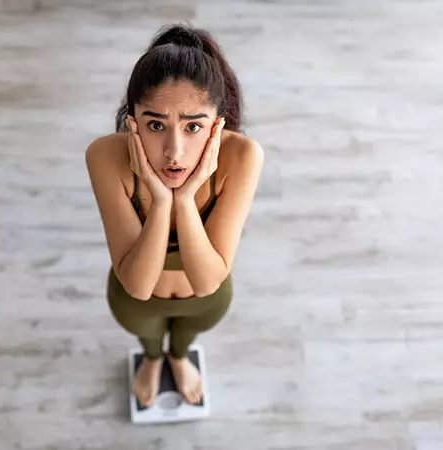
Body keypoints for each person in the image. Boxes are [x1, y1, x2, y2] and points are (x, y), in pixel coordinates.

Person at [85, 24, 264, 408]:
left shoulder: (242, 156)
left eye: (193, 126)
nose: (174, 152)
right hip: (136, 302)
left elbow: (206, 281)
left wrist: (182, 200)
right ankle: (152, 359)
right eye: (155, 125)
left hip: (204, 302)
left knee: (183, 342)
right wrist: (162, 201)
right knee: (148, 342)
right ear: (132, 121)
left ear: (217, 126)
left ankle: (178, 358)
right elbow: (136, 284)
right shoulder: (104, 156)